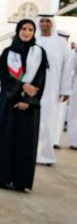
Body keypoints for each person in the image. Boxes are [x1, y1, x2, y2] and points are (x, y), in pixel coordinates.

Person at [0, 19, 47, 191]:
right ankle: (1, 177)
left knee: (24, 143)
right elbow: (5, 77)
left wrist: (28, 101)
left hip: (29, 106)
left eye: (30, 29)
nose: (27, 32)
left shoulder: (40, 53)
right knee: (5, 139)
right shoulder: (8, 52)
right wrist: (21, 88)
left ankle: (21, 181)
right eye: (23, 28)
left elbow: (41, 79)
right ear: (18, 30)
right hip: (9, 102)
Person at [34, 14, 71, 164]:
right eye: (42, 21)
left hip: (51, 89)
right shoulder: (34, 40)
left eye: (48, 21)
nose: (44, 24)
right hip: (33, 88)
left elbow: (66, 69)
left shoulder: (60, 43)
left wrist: (65, 90)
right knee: (31, 121)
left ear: (52, 24)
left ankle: (45, 155)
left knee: (48, 121)